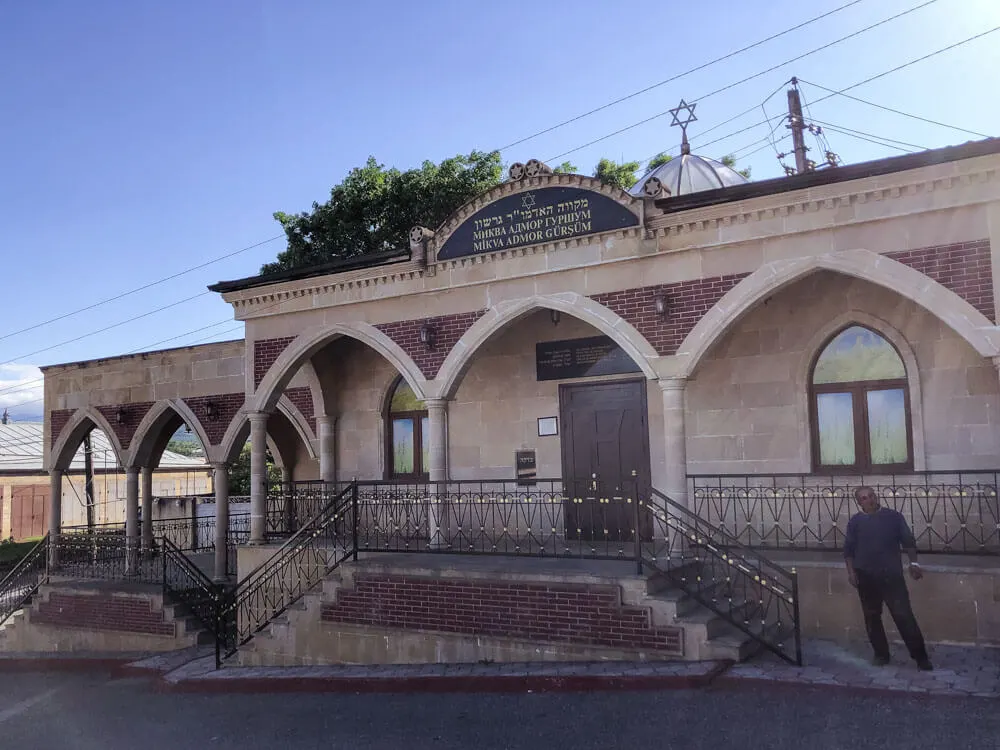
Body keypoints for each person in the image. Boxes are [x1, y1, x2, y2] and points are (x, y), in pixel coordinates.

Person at [843, 485, 932, 670]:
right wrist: (851, 572)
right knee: (872, 617)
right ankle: (881, 654)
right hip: (865, 576)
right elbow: (849, 550)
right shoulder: (855, 522)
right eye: (864, 498)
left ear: (876, 497)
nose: (869, 500)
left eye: (871, 496)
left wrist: (913, 563)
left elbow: (908, 541)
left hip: (891, 575)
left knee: (903, 615)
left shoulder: (893, 517)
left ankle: (920, 657)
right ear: (859, 503)